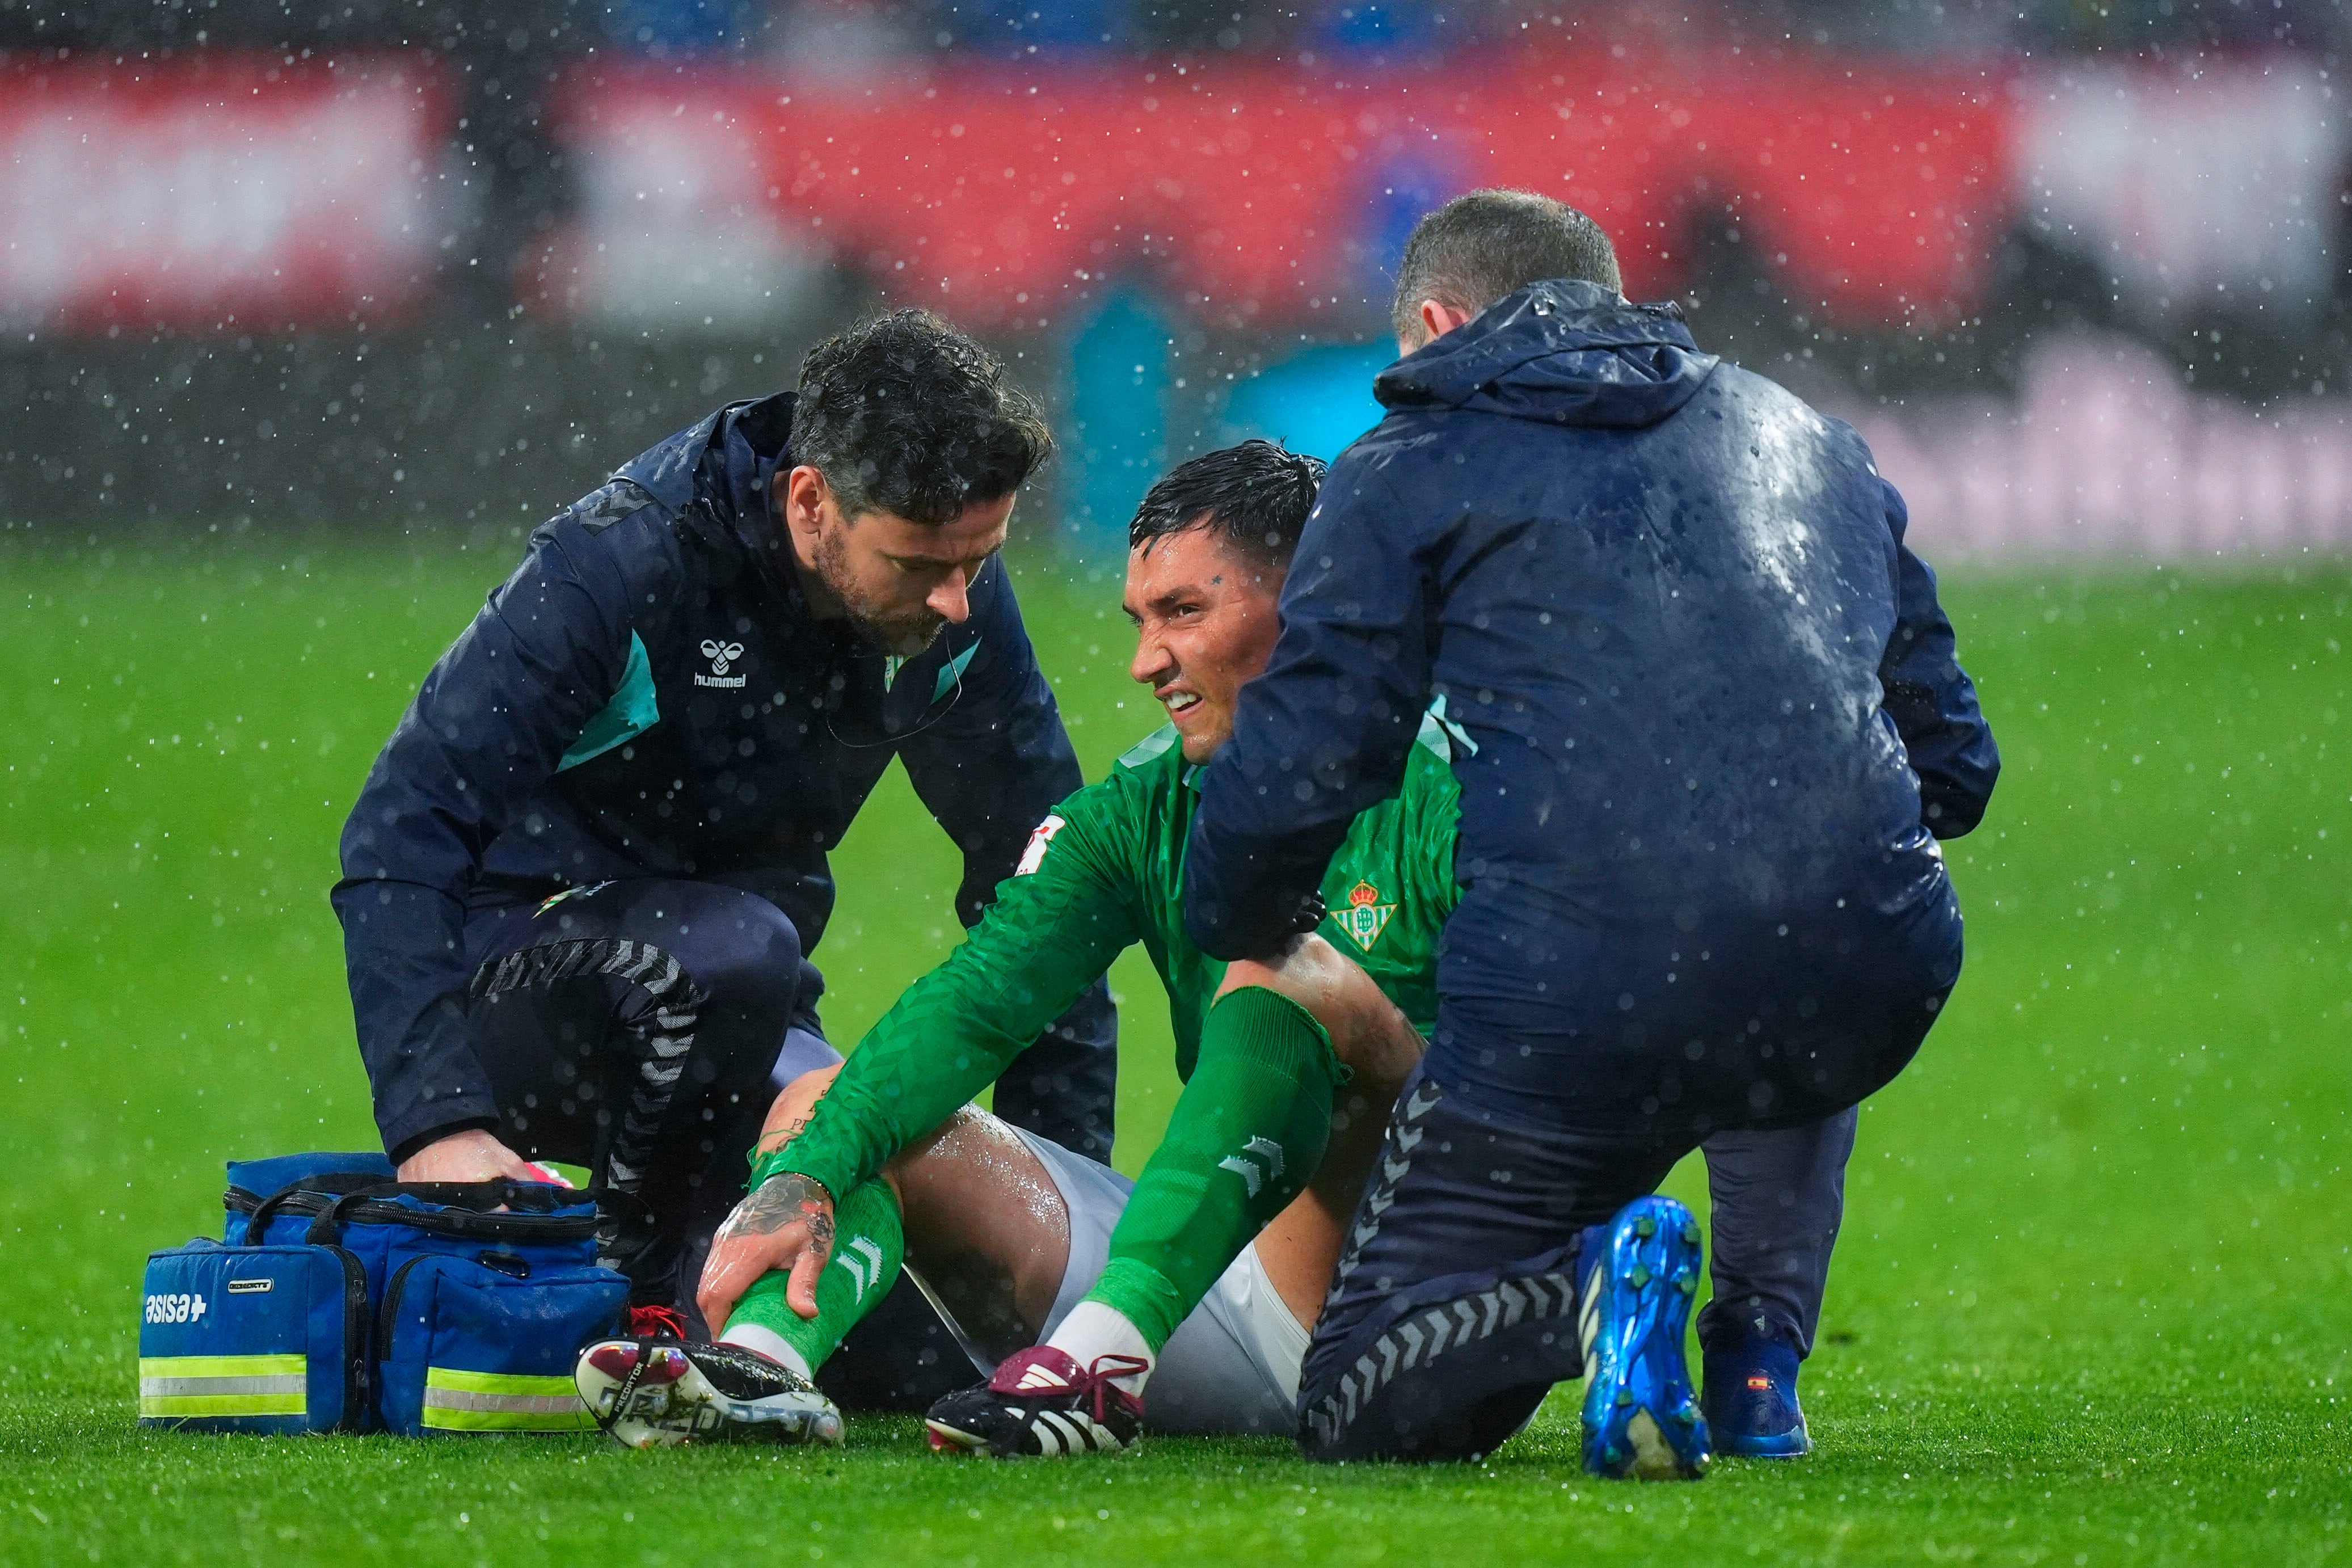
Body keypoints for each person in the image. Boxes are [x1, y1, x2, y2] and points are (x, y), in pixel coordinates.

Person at [1179, 191, 1999, 1474]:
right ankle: (1761, 1356)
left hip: (1587, 987)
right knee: (1801, 904)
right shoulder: (1811, 437)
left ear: (1439, 323)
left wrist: (1228, 919)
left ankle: (1596, 1289)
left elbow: (1309, 763)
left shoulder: (1410, 460)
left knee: (1362, 1391)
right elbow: (1955, 767)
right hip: (1872, 967)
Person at [580, 440, 1443, 1453]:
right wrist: (804, 1177)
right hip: (1205, 1292)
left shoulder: (1461, 786)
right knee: (833, 1110)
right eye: (1139, 620)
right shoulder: (1144, 808)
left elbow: (1538, 1086)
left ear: (1311, 601)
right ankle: (764, 1373)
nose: (1145, 661)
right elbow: (979, 1002)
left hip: (1410, 1305)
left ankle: (1097, 1361)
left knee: (1280, 975)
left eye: (1182, 613)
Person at [330, 309, 1116, 1327]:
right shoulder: (616, 565)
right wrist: (438, 1128)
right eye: (923, 566)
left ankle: (707, 1294)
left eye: (981, 561)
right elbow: (400, 834)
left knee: (907, 1290)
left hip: (744, 1015)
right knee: (735, 951)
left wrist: (1053, 1202)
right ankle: (649, 1310)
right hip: (519, 992)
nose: (958, 601)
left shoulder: (949, 595)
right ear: (808, 502)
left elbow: (1047, 888)